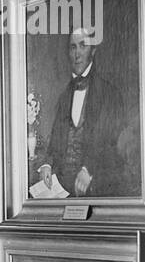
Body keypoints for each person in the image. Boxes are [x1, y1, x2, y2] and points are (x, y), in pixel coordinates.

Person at [35, 27, 129, 198]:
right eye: (73, 47)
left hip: (96, 184)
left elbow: (112, 144)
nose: (77, 54)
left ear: (93, 51)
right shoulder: (64, 96)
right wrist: (47, 165)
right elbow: (55, 139)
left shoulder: (109, 93)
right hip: (62, 186)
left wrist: (89, 169)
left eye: (83, 46)